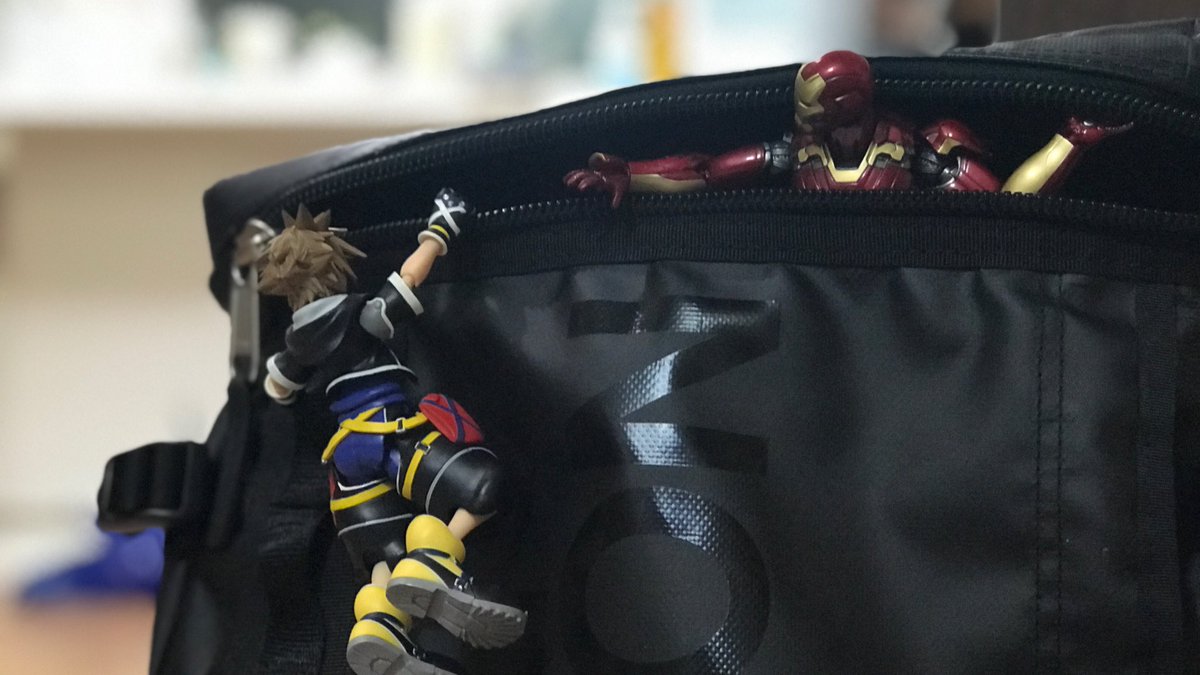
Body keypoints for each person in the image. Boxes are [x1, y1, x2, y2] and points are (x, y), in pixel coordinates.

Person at [258, 192, 525, 675]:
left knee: (383, 555)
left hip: (345, 463)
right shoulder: (356, 313)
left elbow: (278, 387)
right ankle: (434, 558)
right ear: (333, 264)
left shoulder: (297, 341)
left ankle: (380, 626)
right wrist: (440, 229)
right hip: (388, 435)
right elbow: (409, 278)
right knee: (484, 485)